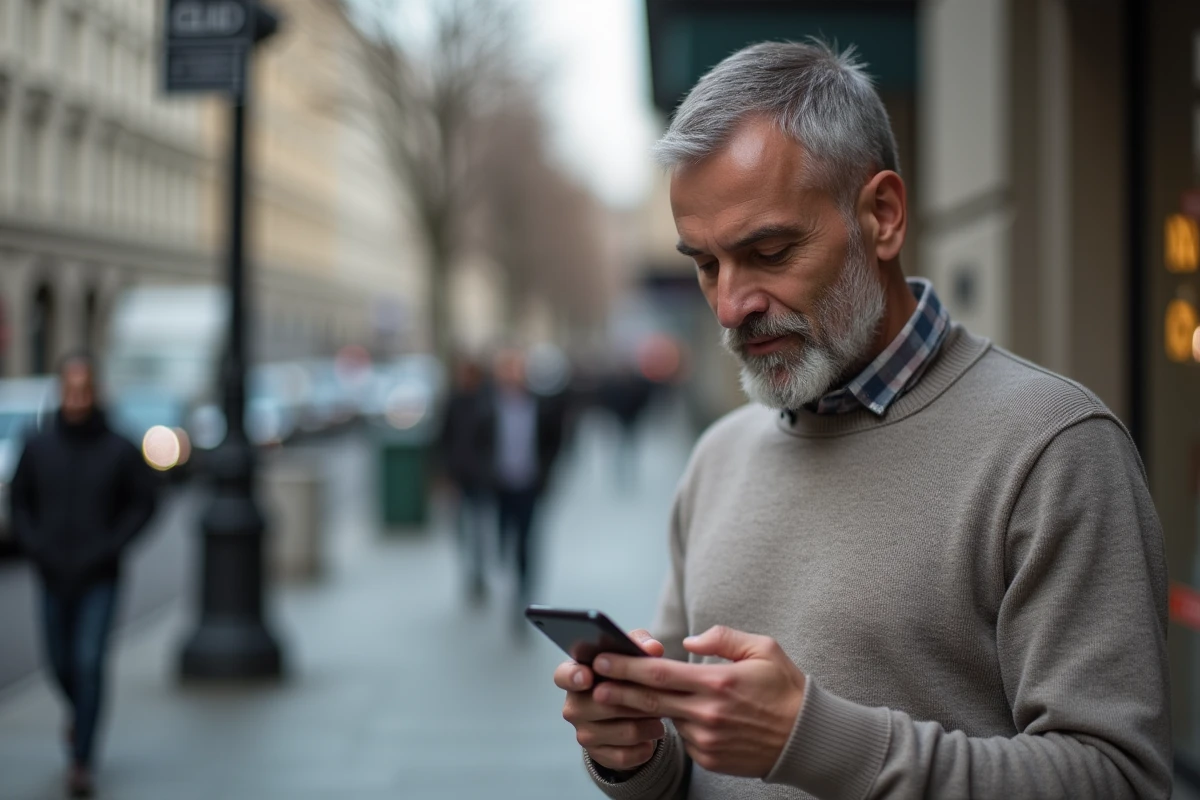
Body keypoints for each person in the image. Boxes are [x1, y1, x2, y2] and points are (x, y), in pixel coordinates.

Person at [552, 40, 1171, 799]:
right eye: (707, 264)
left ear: (881, 215)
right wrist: (635, 755)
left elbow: (1120, 778)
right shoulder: (719, 455)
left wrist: (817, 740)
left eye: (770, 251)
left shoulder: (1052, 449)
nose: (730, 305)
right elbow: (694, 769)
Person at [9, 354, 158, 797]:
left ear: (96, 392)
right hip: (52, 572)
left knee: (89, 661)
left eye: (84, 390)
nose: (76, 399)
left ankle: (82, 761)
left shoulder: (119, 447)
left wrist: (112, 544)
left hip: (100, 574)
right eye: (70, 390)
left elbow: (145, 501)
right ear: (60, 392)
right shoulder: (37, 445)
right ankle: (82, 714)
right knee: (59, 661)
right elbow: (20, 502)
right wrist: (34, 545)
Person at [480, 347, 565, 620]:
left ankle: (523, 588)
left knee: (527, 537)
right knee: (503, 533)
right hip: (499, 484)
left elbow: (554, 441)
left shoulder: (541, 404)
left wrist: (546, 471)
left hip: (529, 484)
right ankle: (507, 570)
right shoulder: (487, 404)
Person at [437, 355, 491, 604]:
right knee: (462, 529)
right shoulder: (452, 401)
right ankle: (470, 571)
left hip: (481, 478)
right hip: (459, 477)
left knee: (479, 528)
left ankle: (478, 571)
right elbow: (442, 437)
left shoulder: (486, 401)